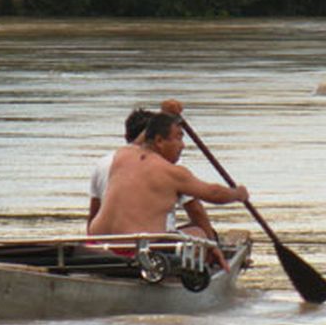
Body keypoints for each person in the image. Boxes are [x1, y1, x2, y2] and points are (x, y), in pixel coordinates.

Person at [88, 112, 248, 269]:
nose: (183, 145)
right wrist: (237, 194)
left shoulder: (122, 155)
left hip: (95, 245)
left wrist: (166, 113)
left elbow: (146, 136)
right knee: (199, 234)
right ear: (159, 141)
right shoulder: (172, 173)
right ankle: (200, 271)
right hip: (135, 252)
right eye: (178, 137)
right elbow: (213, 193)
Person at [87, 100, 216, 239]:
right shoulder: (170, 166)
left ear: (126, 137)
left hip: (110, 242)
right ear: (157, 138)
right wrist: (212, 243)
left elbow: (93, 219)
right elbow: (196, 211)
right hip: (154, 245)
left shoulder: (103, 163)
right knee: (201, 232)